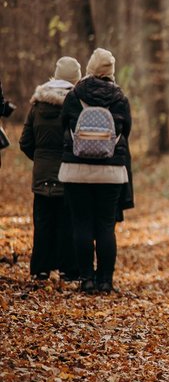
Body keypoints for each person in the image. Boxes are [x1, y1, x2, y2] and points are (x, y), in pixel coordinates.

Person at [58, 49, 133, 294]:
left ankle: (87, 279)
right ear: (111, 70)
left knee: (81, 224)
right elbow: (126, 131)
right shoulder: (119, 97)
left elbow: (64, 126)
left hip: (76, 169)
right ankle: (105, 281)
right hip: (110, 172)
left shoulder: (75, 94)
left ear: (90, 67)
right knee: (105, 225)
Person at [19, 56, 82, 281]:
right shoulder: (77, 104)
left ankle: (40, 268)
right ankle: (68, 269)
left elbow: (25, 142)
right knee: (67, 221)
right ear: (76, 78)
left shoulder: (36, 105)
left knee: (43, 221)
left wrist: (39, 160)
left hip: (42, 173)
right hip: (68, 173)